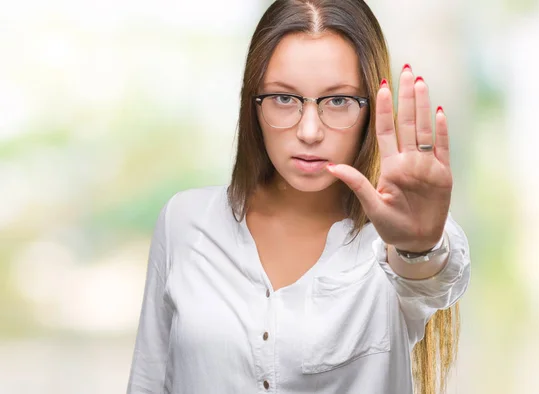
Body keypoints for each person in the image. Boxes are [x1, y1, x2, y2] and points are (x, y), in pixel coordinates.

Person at [126, 1, 471, 393]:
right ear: (252, 103)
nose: (309, 131)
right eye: (284, 98)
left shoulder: (398, 238)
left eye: (338, 101)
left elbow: (432, 278)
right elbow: (148, 383)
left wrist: (418, 247)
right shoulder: (185, 222)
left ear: (372, 108)